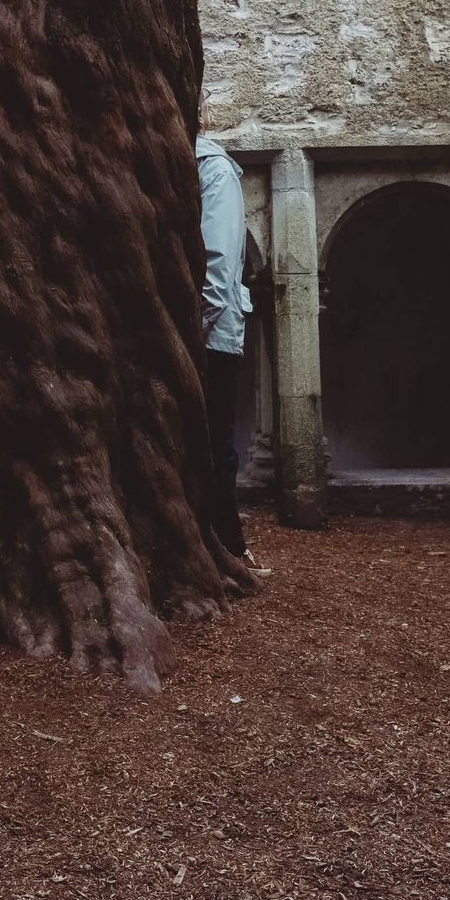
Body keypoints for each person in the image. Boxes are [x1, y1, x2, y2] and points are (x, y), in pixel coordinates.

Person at [196, 95, 255, 564]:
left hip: (209, 337)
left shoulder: (211, 166)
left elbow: (220, 260)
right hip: (196, 332)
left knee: (215, 442)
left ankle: (227, 547)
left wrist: (195, 329)